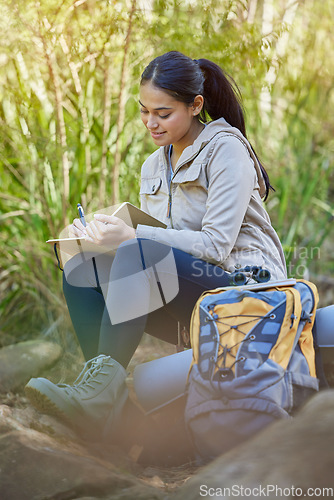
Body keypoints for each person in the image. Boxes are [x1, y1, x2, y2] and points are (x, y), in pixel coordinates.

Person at [25, 51, 287, 440]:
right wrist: (99, 239)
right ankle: (104, 402)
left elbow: (215, 246)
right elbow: (164, 249)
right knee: (83, 268)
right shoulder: (153, 165)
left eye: (163, 113)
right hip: (194, 299)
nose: (151, 122)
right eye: (144, 111)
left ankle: (98, 402)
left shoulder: (226, 148)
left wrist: (134, 238)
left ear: (196, 105)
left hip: (248, 295)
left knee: (137, 252)